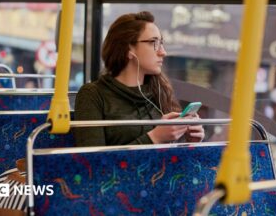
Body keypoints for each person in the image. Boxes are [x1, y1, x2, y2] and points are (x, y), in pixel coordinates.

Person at [74, 11, 204, 147]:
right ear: (128, 49)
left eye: (162, 43)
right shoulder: (93, 94)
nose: (163, 52)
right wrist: (155, 137)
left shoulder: (159, 90)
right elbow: (91, 163)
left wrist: (188, 140)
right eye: (154, 42)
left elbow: (171, 154)